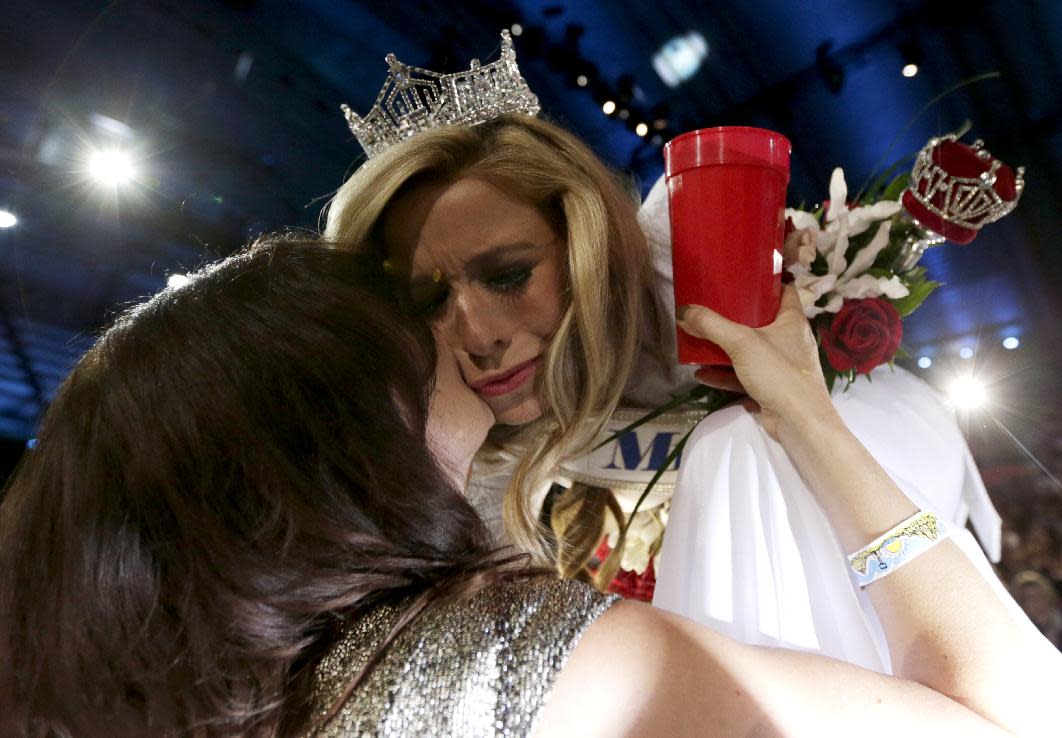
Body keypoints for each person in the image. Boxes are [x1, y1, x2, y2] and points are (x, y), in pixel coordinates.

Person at [1, 235, 1059, 737]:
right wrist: (808, 416)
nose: (463, 329)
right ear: (337, 415)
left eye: (504, 273)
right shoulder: (496, 656)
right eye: (413, 307)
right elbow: (1014, 720)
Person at [324, 95, 1003, 672]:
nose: (476, 334)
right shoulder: (443, 477)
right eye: (427, 301)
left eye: (507, 276)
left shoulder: (709, 344)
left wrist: (803, 414)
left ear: (587, 245)